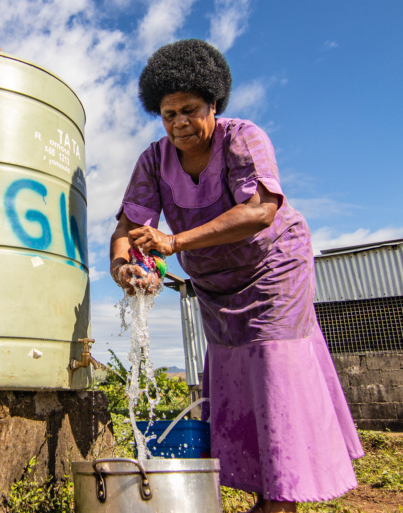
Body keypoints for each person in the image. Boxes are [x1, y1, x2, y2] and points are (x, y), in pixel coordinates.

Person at [109, 39, 364, 513]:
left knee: (273, 365)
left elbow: (261, 210)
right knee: (228, 373)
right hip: (217, 284)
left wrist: (176, 242)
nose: (179, 123)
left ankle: (281, 500)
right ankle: (256, 489)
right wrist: (123, 267)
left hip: (272, 268)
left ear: (213, 104)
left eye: (189, 110)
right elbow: (127, 226)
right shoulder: (152, 160)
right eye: (168, 114)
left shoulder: (242, 137)